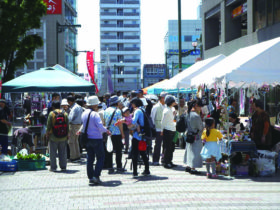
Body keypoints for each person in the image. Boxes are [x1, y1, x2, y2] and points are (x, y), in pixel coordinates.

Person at [80, 96, 111, 184]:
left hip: (88, 139)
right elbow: (100, 127)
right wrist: (107, 130)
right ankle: (96, 176)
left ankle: (90, 177)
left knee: (90, 158)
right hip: (97, 139)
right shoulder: (95, 114)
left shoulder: (84, 113)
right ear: (94, 105)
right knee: (100, 157)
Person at [130, 97, 150, 177]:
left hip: (137, 135)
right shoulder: (143, 110)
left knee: (135, 153)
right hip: (143, 135)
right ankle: (147, 170)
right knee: (143, 152)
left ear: (135, 104)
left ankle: (135, 172)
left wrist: (125, 119)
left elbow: (133, 121)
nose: (131, 105)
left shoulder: (137, 111)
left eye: (132, 103)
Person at [104, 96, 125, 174]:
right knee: (118, 151)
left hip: (108, 133)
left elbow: (104, 122)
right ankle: (119, 166)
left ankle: (110, 167)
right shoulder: (118, 111)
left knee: (109, 150)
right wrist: (122, 134)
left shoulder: (105, 110)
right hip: (116, 133)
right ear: (116, 102)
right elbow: (120, 124)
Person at [46, 101, 69, 172]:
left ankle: (53, 167)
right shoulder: (65, 113)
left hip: (53, 137)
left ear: (53, 107)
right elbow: (68, 125)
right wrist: (68, 134)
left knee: (53, 153)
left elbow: (48, 126)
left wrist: (47, 134)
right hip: (63, 136)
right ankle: (63, 166)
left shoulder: (51, 114)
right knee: (63, 153)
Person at [183, 99, 204, 174]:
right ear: (196, 106)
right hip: (195, 136)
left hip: (189, 134)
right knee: (195, 151)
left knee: (189, 150)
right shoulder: (195, 115)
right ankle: (193, 168)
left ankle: (188, 166)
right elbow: (200, 127)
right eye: (200, 106)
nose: (200, 108)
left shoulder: (188, 113)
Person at [151, 92, 167, 165]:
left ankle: (164, 159)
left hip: (166, 128)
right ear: (162, 98)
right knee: (158, 145)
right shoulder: (156, 107)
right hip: (158, 128)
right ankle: (155, 160)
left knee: (165, 145)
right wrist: (153, 128)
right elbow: (152, 118)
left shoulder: (167, 106)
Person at [161, 95, 177, 169]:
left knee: (171, 147)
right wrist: (161, 130)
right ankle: (166, 162)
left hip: (172, 129)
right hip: (167, 130)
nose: (175, 102)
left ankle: (170, 161)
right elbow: (163, 122)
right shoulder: (166, 110)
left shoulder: (171, 108)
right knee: (167, 147)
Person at [67, 95, 83, 162]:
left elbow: (70, 118)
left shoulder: (74, 108)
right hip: (79, 125)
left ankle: (73, 156)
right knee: (76, 141)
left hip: (73, 125)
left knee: (71, 142)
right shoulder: (79, 107)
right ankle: (77, 155)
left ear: (70, 101)